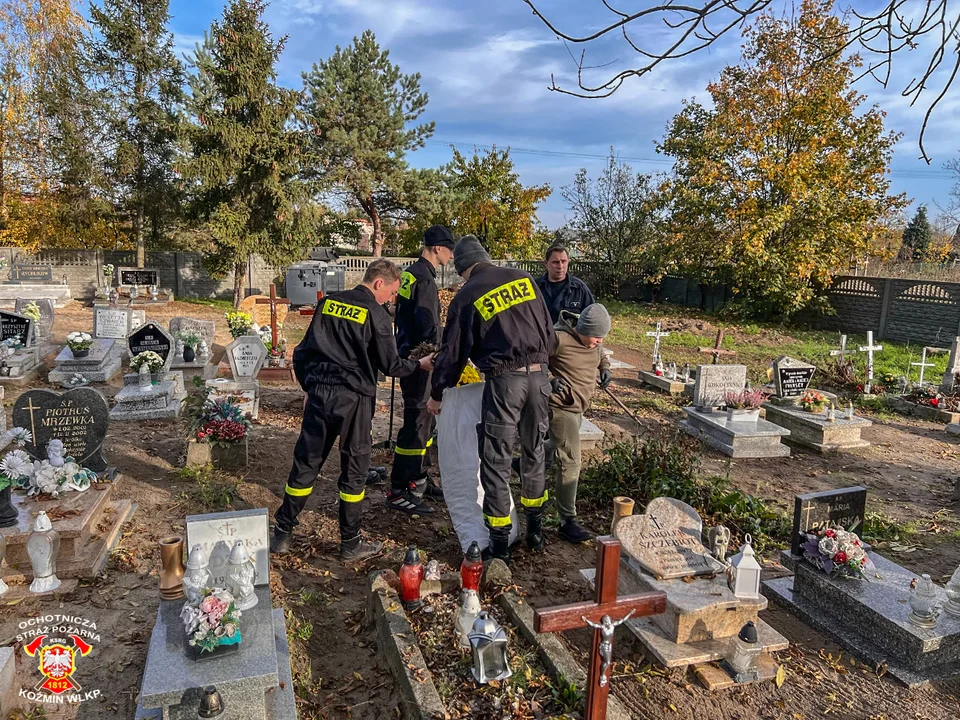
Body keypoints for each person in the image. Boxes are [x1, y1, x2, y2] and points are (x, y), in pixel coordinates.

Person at [272, 259, 434, 561]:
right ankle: (350, 543)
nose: (392, 299)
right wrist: (420, 364)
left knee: (306, 464)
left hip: (320, 395)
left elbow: (304, 351)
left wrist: (310, 388)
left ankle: (282, 533)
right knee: (354, 473)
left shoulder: (330, 303)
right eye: (392, 292)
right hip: (354, 399)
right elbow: (391, 364)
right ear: (378, 283)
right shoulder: (376, 313)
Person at [428, 236, 555, 563]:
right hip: (540, 379)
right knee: (534, 453)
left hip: (505, 385)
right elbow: (550, 334)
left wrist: (437, 393)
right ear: (487, 257)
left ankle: (499, 546)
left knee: (497, 461)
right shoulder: (525, 280)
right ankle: (536, 530)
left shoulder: (468, 294)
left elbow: (453, 353)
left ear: (461, 271)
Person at [386, 225, 455, 515]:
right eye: (450, 249)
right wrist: (443, 352)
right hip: (421, 361)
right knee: (417, 422)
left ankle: (420, 478)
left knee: (425, 423)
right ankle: (399, 488)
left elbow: (399, 311)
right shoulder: (425, 279)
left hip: (405, 353)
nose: (452, 255)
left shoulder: (410, 273)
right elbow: (429, 326)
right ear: (437, 248)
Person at [547, 304, 612, 543]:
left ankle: (522, 462)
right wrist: (550, 379)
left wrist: (605, 368)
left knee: (559, 446)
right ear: (582, 329)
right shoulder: (559, 339)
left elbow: (601, 351)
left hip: (578, 407)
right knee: (571, 461)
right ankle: (567, 521)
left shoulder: (594, 341)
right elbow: (533, 359)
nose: (598, 342)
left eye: (602, 338)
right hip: (560, 406)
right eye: (595, 337)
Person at [536, 245, 595, 324]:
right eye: (555, 262)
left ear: (568, 262)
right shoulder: (534, 287)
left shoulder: (579, 289)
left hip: (570, 335)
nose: (560, 266)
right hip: (541, 335)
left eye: (563, 261)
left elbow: (592, 318)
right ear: (546, 263)